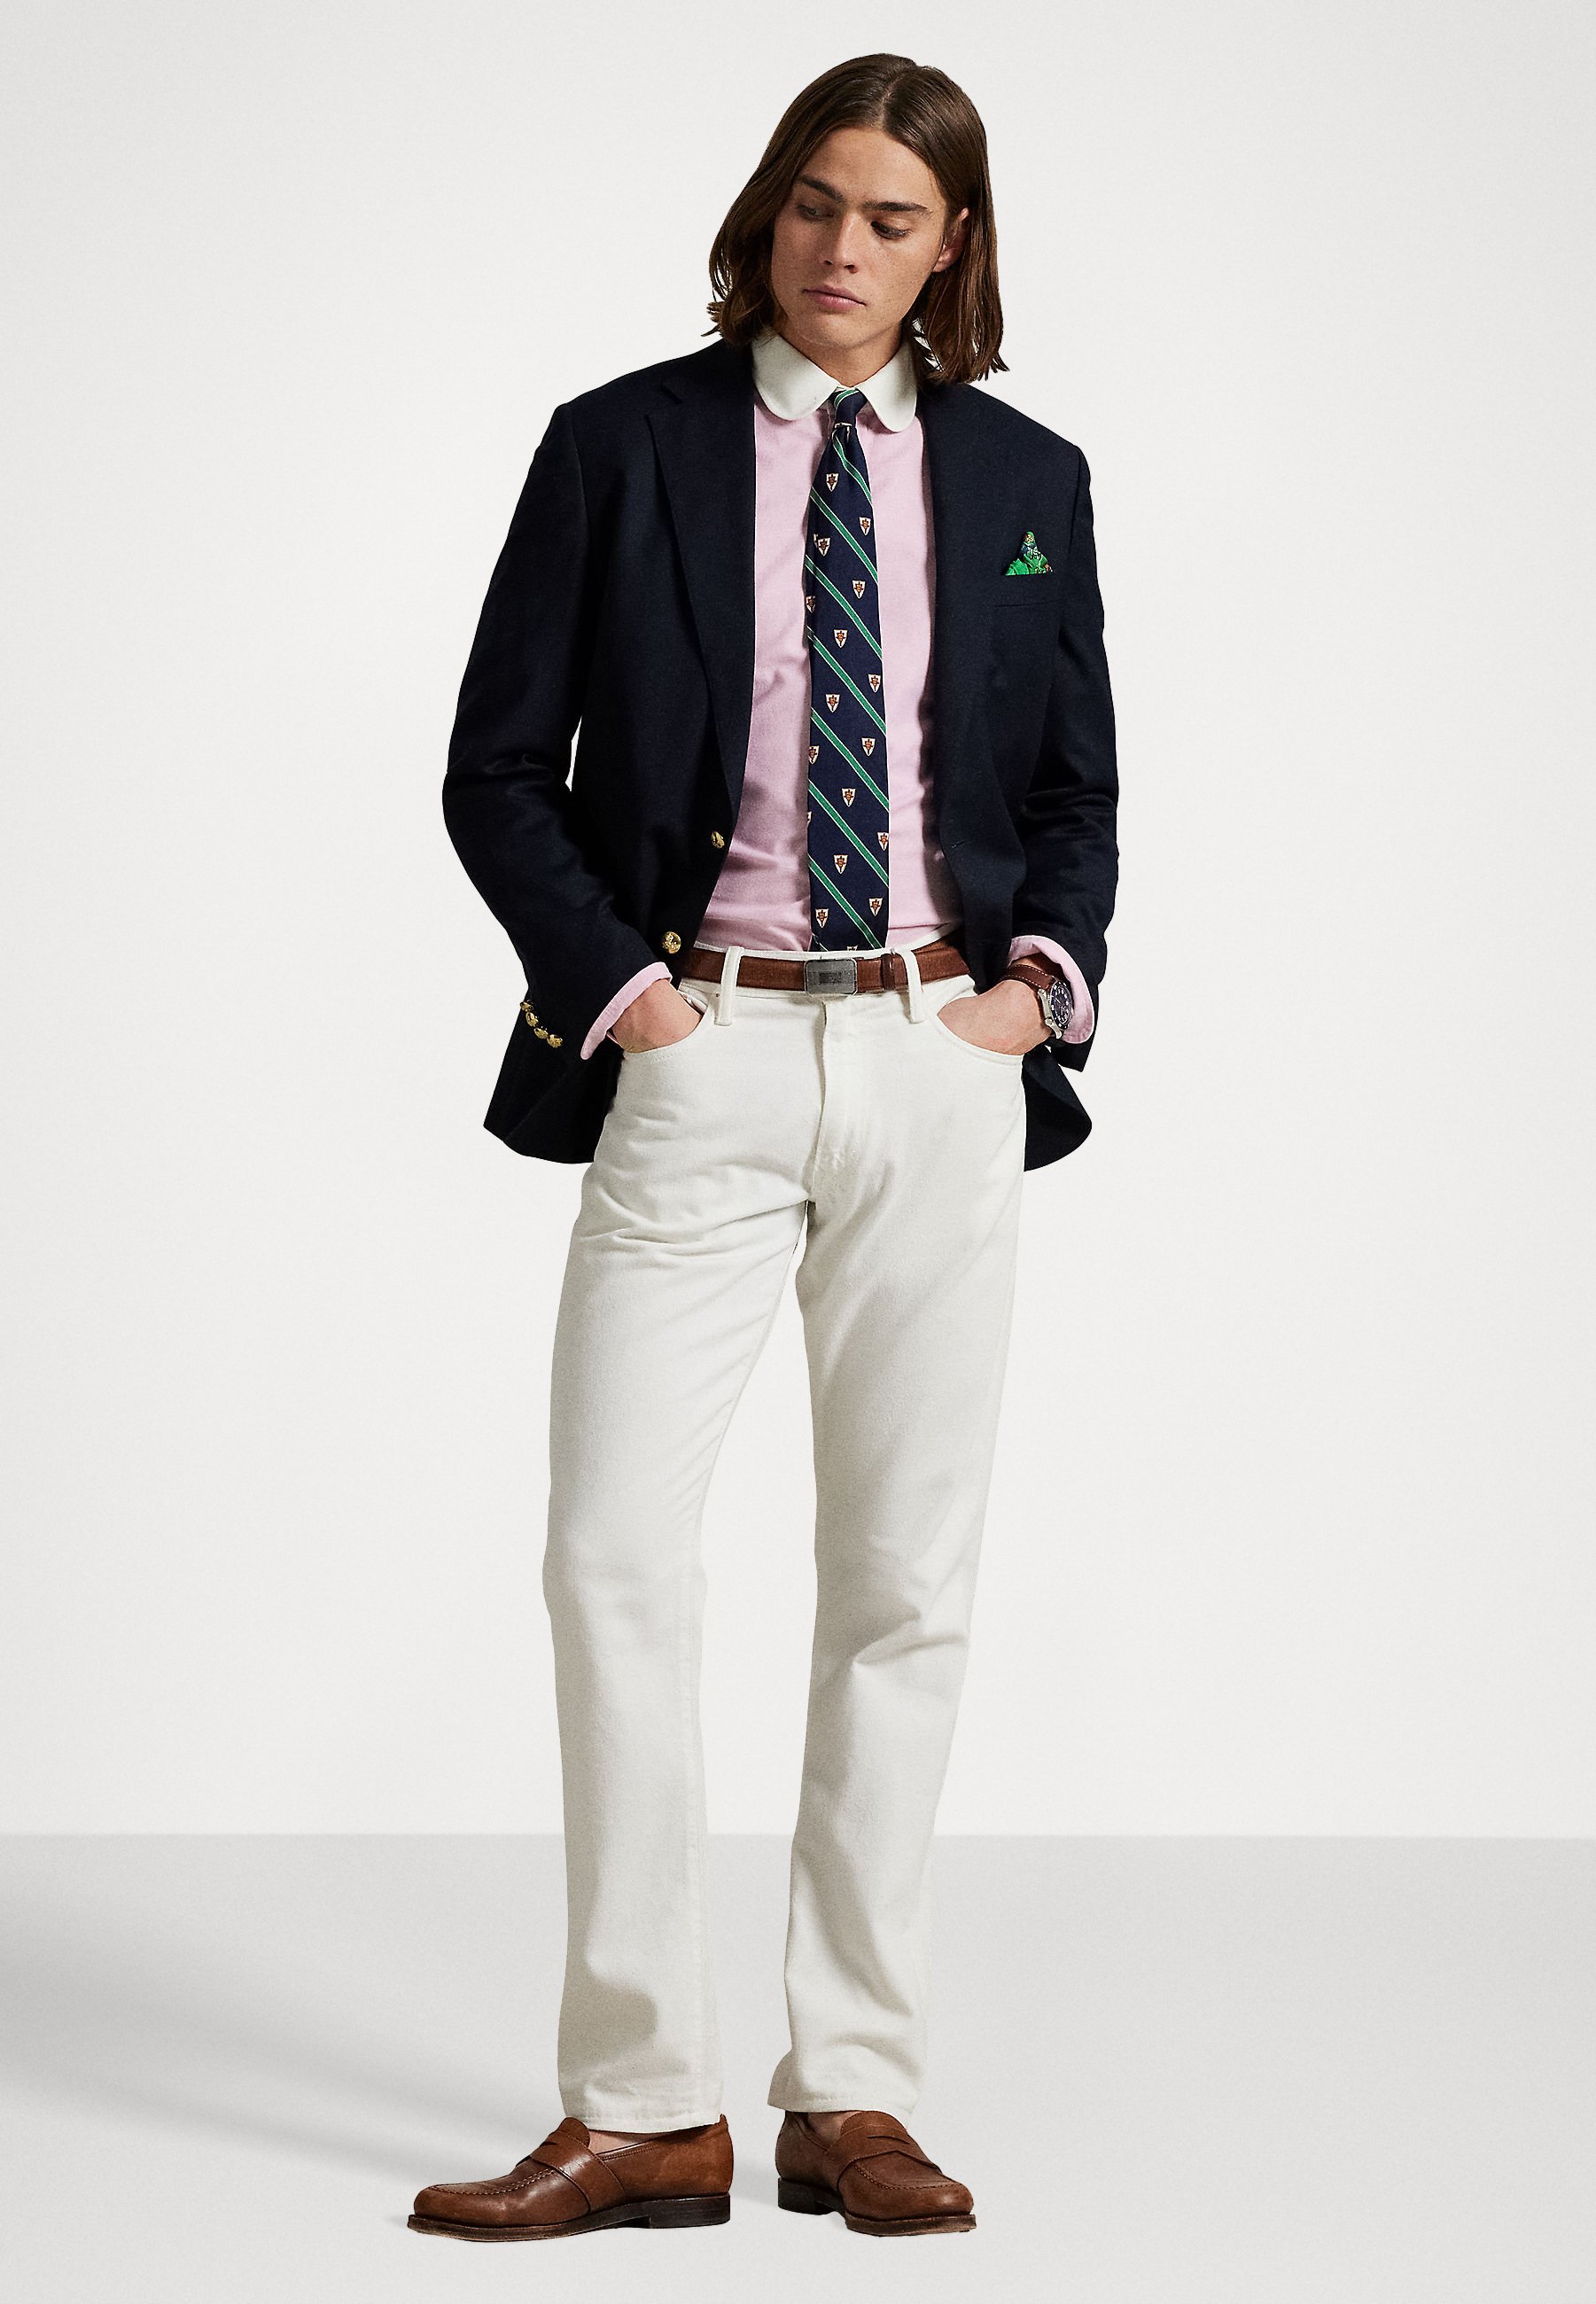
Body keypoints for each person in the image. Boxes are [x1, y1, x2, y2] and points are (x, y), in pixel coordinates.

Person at [409, 50, 1117, 2246]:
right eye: (816, 201)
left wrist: (1035, 988)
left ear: (951, 245)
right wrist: (628, 994)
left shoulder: (1026, 476)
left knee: (904, 1584)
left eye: (892, 218)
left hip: (933, 1055)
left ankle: (853, 2090)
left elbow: (1072, 787)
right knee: (612, 1556)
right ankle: (644, 2102)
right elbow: (495, 766)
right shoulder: (618, 444)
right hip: (699, 1051)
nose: (842, 248)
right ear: (767, 208)